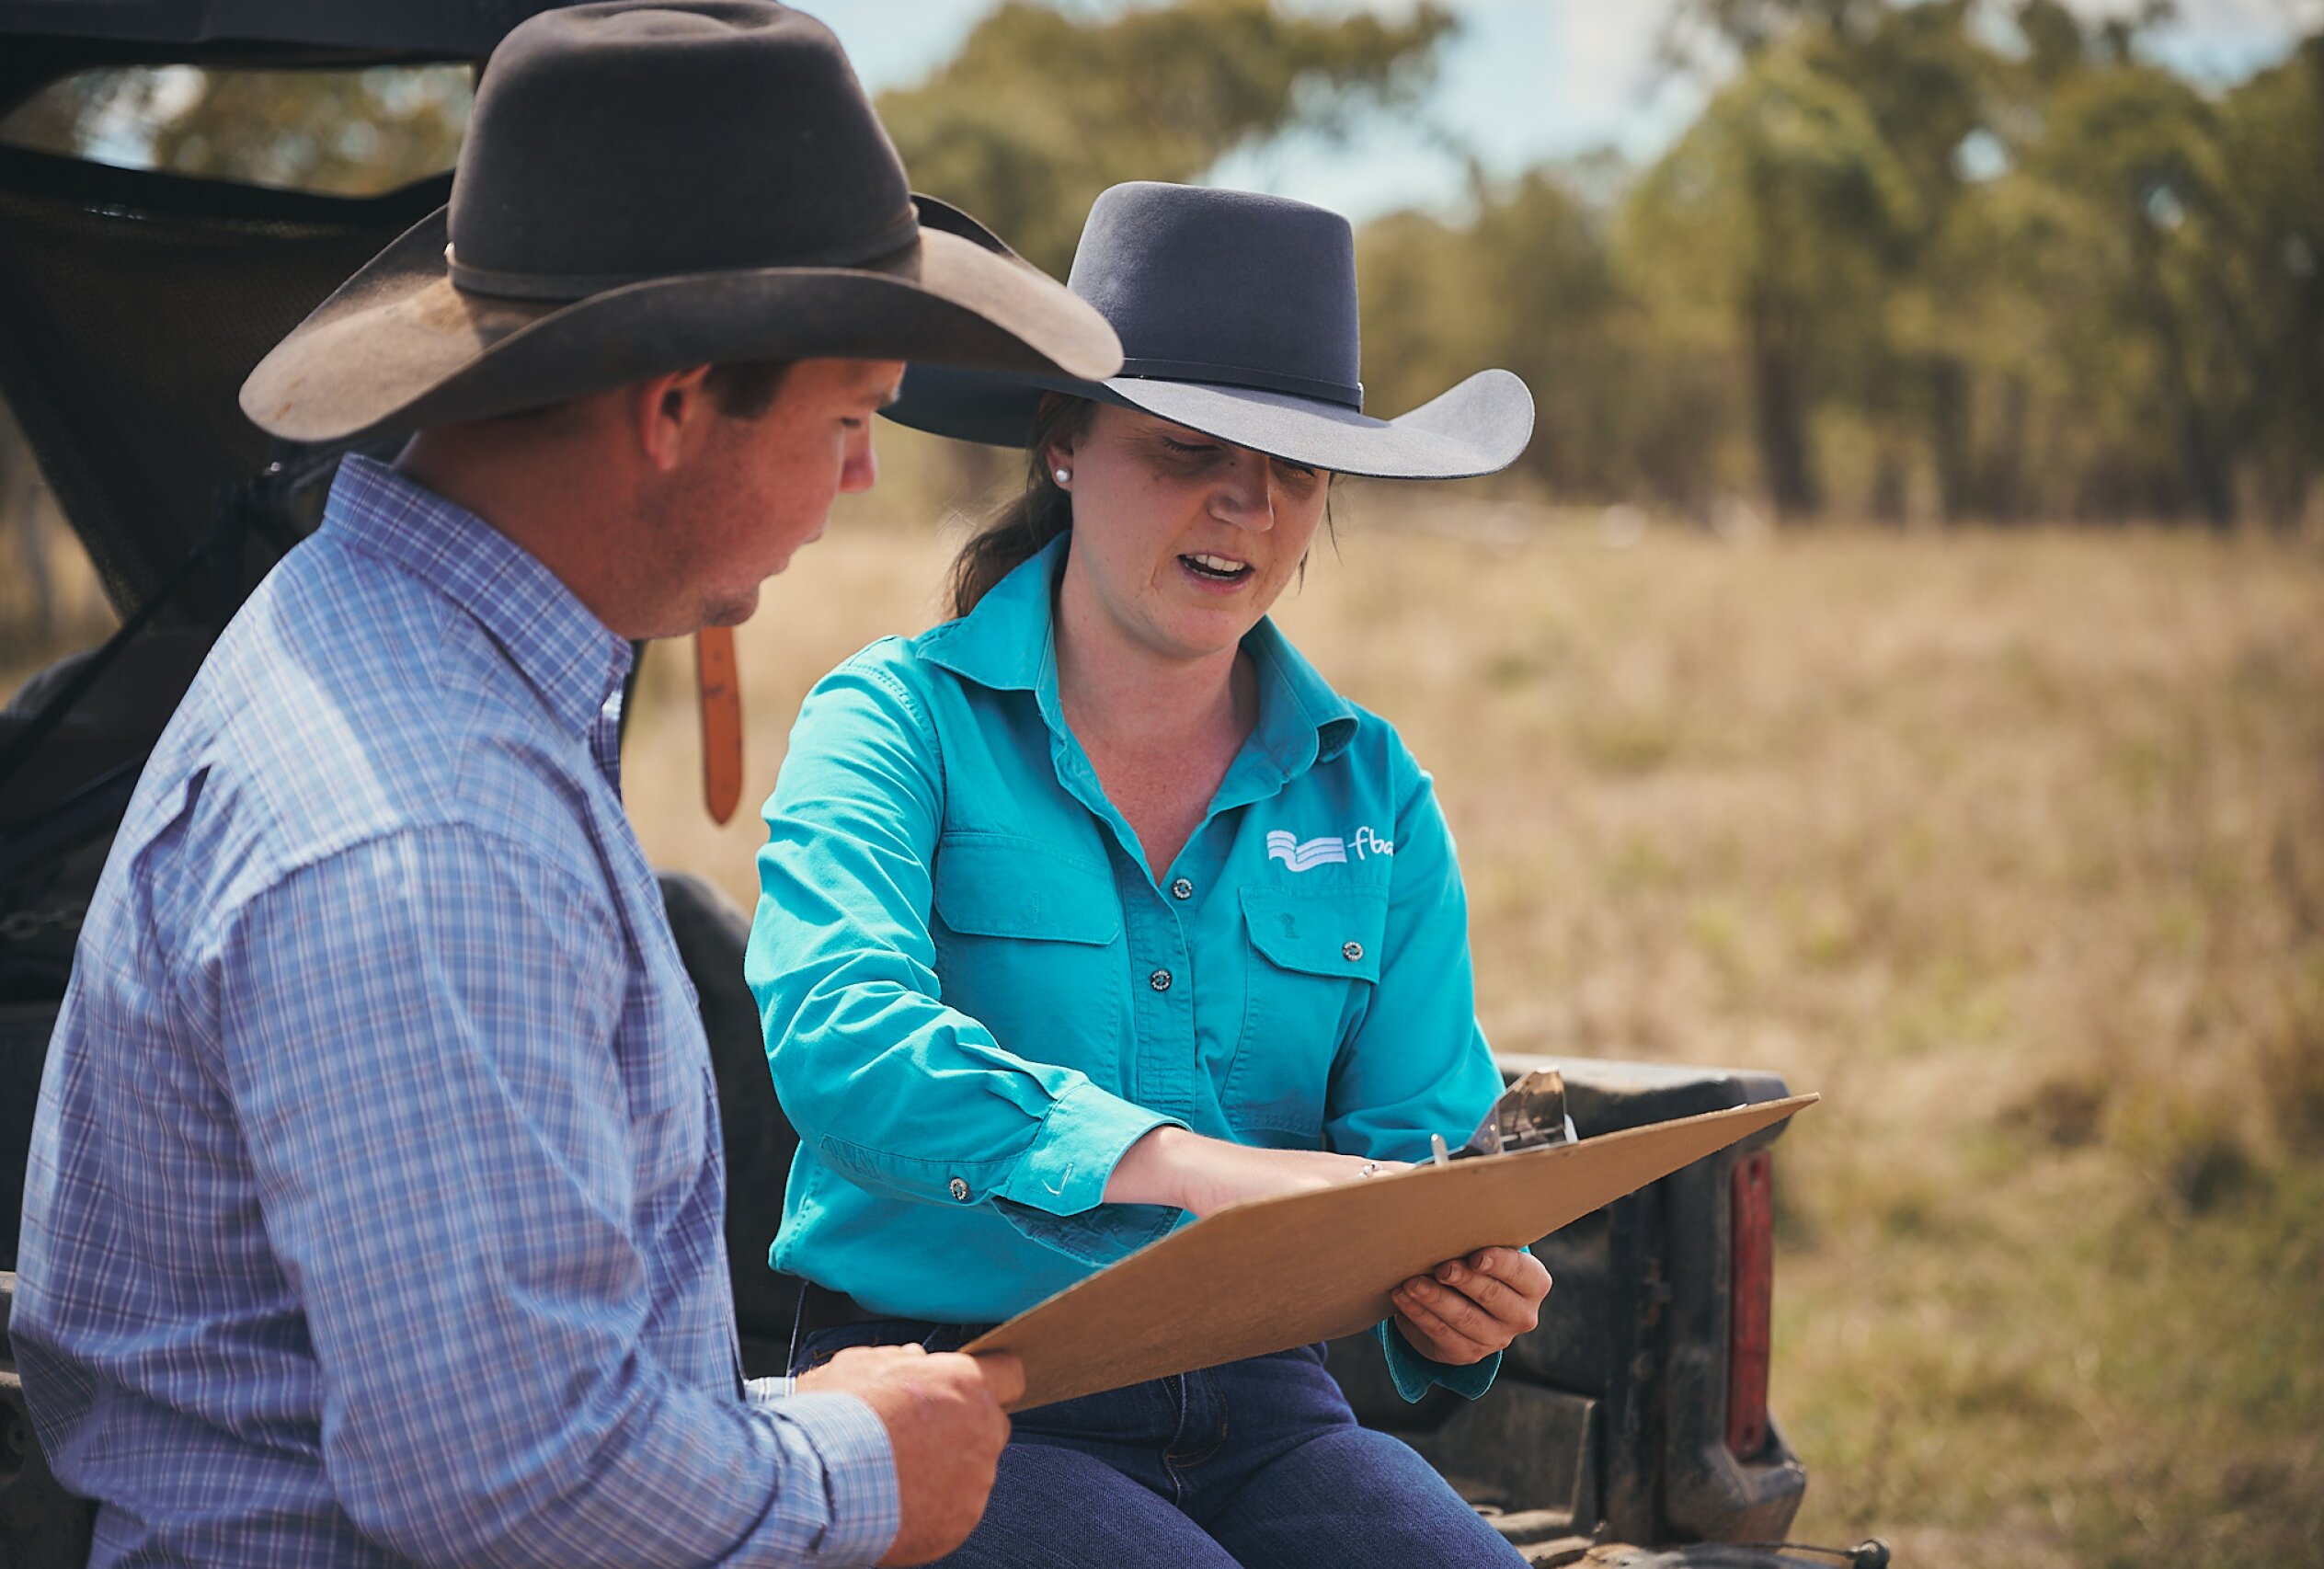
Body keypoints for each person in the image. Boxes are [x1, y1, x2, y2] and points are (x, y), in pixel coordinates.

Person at [11, 6, 1122, 1566]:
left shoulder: (394, 639)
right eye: (850, 418)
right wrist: (860, 1468)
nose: (863, 476)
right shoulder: (433, 824)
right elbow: (510, 1477)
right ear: (673, 409)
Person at [744, 180, 1549, 1567]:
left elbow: (1421, 1141)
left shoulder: (1375, 788)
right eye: (1187, 450)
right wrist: (1192, 1172)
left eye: (1297, 469)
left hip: (1274, 1406)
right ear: (1063, 441)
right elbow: (840, 1037)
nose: (1247, 503)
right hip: (959, 1387)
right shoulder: (891, 723)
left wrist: (1456, 1286)